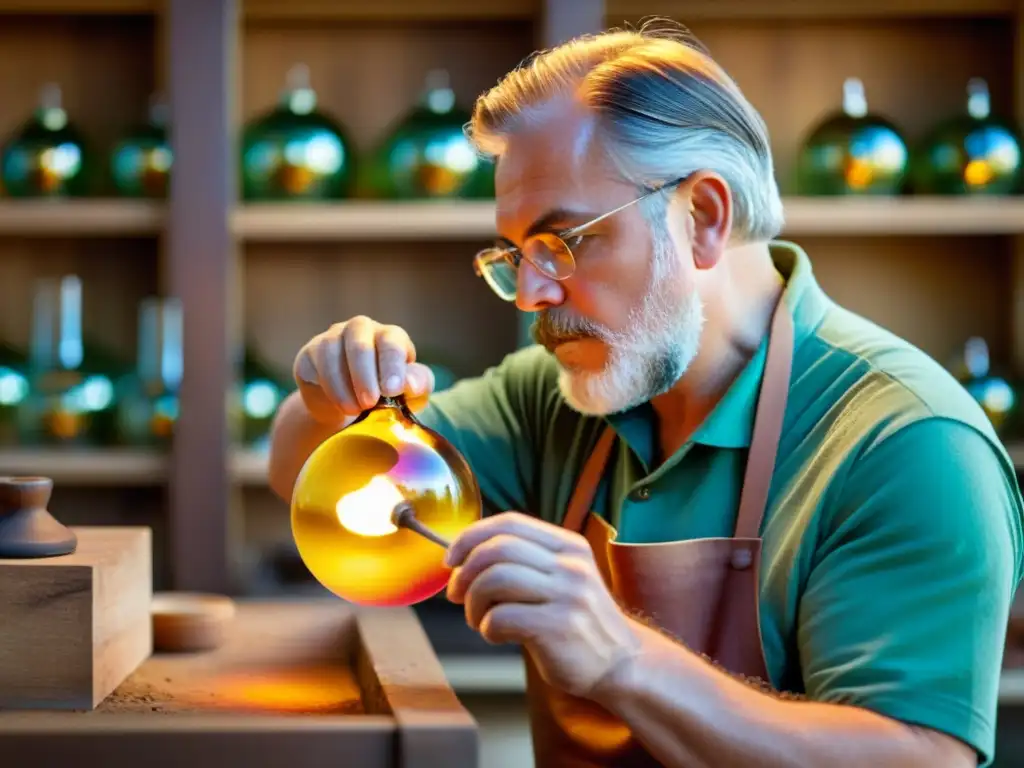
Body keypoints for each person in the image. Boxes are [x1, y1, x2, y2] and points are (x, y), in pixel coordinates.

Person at [267, 21, 1024, 768]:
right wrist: (331, 399)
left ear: (702, 217)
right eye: (515, 254)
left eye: (565, 242)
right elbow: (302, 476)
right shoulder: (557, 396)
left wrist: (623, 658)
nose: (530, 295)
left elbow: (918, 760)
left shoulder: (910, 444)